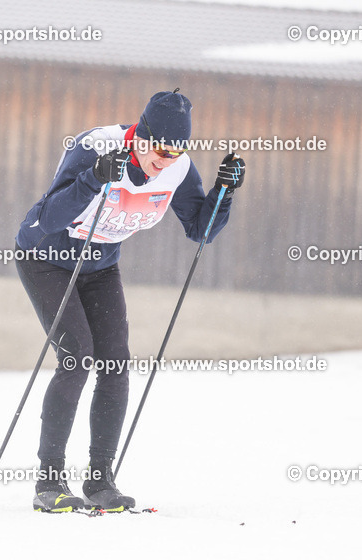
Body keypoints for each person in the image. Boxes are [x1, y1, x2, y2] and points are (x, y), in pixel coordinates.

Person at [14, 89, 245, 512]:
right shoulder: (94, 147)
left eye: (177, 152)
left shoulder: (176, 169)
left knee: (115, 365)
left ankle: (100, 480)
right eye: (161, 150)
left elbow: (201, 230)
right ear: (141, 135)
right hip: (47, 257)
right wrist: (94, 178)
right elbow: (49, 218)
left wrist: (223, 193)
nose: (166, 161)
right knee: (77, 357)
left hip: (100, 265)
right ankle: (49, 482)